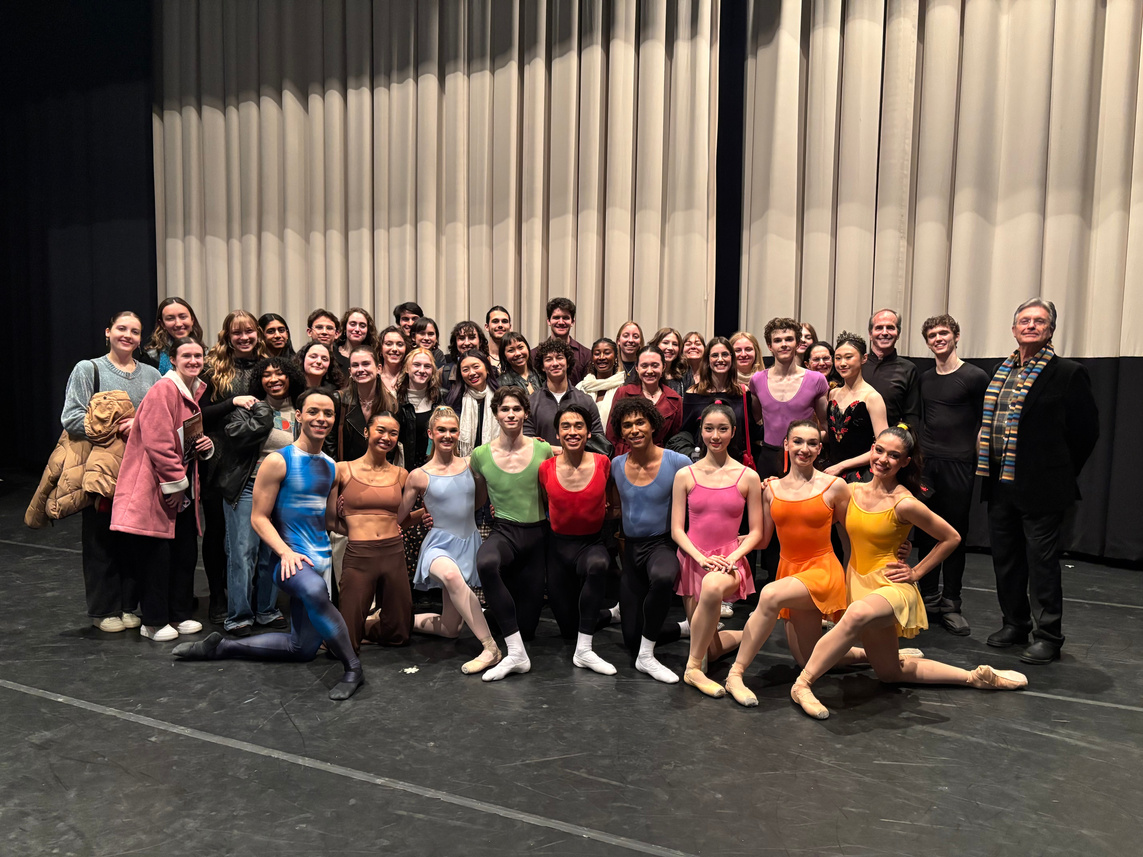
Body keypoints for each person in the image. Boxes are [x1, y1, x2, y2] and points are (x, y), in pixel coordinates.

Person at [788, 427, 1027, 720]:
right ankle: (975, 676)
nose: (884, 459)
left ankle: (803, 684)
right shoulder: (849, 491)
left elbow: (951, 537)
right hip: (858, 583)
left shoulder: (905, 503)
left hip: (890, 586)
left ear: (905, 462)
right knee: (889, 673)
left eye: (894, 456)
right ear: (871, 448)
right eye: (880, 450)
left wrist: (916, 572)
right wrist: (774, 483)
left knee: (858, 615)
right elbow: (804, 497)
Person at [172, 388, 366, 701]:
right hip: (289, 560)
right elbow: (259, 518)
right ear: (299, 416)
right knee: (315, 592)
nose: (321, 418)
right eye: (313, 411)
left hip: (321, 560)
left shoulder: (331, 466)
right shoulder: (278, 461)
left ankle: (222, 647)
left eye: (328, 413)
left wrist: (355, 522)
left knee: (301, 649)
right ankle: (353, 668)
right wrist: (285, 552)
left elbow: (329, 521)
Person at [723, 421, 890, 706]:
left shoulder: (835, 487)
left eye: (812, 443)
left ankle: (735, 675)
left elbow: (854, 532)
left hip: (823, 570)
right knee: (809, 658)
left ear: (819, 449)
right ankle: (870, 655)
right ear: (786, 445)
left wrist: (866, 568)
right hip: (790, 571)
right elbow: (762, 540)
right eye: (797, 442)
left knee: (770, 594)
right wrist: (729, 548)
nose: (804, 449)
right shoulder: (771, 489)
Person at [979, 298, 1100, 665]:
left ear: (1050, 331)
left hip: (1043, 487)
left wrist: (1058, 470)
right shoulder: (1000, 372)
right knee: (1006, 559)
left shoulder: (1067, 373)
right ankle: (1014, 623)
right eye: (1024, 321)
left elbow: (1086, 432)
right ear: (1014, 330)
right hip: (999, 481)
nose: (1031, 326)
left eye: (1039, 321)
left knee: (1042, 562)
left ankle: (1047, 635)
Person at [62, 311, 161, 631]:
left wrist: (143, 426)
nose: (128, 335)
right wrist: (116, 428)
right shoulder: (87, 369)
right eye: (122, 328)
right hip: (103, 468)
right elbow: (71, 418)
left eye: (134, 331)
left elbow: (161, 416)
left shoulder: (151, 374)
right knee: (100, 538)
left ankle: (129, 605)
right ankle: (105, 609)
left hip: (142, 469)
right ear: (108, 331)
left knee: (134, 541)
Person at [111, 337, 214, 641]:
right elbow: (159, 443)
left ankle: (179, 614)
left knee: (183, 554)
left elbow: (184, 438)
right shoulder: (163, 390)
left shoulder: (192, 391)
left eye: (198, 356)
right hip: (157, 488)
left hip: (179, 491)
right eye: (187, 356)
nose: (194, 360)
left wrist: (203, 446)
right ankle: (153, 621)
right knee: (157, 558)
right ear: (173, 359)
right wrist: (175, 484)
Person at [396, 405, 502, 673]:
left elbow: (478, 501)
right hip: (438, 546)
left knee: (450, 628)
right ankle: (491, 648)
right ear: (431, 433)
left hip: (468, 542)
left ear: (458, 434)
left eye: (452, 430)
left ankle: (397, 621)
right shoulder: (418, 475)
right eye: (441, 430)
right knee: (452, 577)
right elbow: (399, 517)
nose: (447, 435)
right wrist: (423, 515)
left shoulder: (471, 464)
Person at [672, 404, 763, 697]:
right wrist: (700, 557)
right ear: (701, 431)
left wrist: (731, 558)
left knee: (712, 587)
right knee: (709, 649)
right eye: (709, 428)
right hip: (693, 560)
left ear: (733, 432)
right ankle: (748, 633)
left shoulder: (748, 476)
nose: (715, 435)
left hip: (728, 563)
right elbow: (677, 529)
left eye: (723, 429)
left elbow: (757, 532)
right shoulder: (685, 474)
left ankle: (691, 669)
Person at [470, 387, 554, 680]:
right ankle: (514, 652)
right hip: (504, 532)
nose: (511, 414)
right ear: (496, 414)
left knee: (529, 628)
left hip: (537, 537)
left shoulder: (543, 449)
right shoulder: (480, 456)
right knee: (486, 562)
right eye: (505, 409)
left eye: (517, 409)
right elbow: (478, 499)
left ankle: (497, 622)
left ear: (526, 413)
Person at [214, 356, 301, 636]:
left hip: (283, 490)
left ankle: (266, 610)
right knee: (242, 553)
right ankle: (238, 615)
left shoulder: (299, 409)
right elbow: (234, 435)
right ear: (259, 381)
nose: (274, 379)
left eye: (280, 374)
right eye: (267, 375)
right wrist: (263, 414)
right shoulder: (248, 406)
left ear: (290, 377)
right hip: (248, 486)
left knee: (272, 553)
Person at [608, 397, 691, 683]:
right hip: (631, 552)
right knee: (631, 639)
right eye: (627, 425)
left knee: (664, 576)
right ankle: (682, 629)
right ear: (620, 431)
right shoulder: (616, 465)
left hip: (662, 546)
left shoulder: (678, 462)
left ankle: (647, 656)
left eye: (640, 422)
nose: (634, 430)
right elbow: (613, 504)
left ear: (653, 424)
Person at [916, 314, 989, 635]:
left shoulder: (974, 376)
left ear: (956, 336)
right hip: (927, 466)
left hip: (960, 465)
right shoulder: (925, 378)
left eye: (943, 333)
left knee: (955, 534)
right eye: (932, 335)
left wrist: (977, 462)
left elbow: (983, 424)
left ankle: (951, 603)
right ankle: (928, 598)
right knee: (926, 533)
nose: (938, 339)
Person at [537, 403, 616, 675]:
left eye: (578, 426)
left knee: (598, 566)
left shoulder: (603, 463)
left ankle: (585, 649)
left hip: (591, 545)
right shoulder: (545, 468)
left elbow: (613, 503)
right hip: (557, 550)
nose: (572, 432)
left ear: (589, 432)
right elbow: (542, 504)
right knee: (569, 629)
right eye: (566, 427)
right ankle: (610, 614)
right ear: (557, 434)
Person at [201, 309, 267, 625]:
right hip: (219, 460)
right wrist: (232, 404)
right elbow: (199, 413)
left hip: (258, 460)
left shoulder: (268, 367)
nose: (243, 338)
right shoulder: (212, 369)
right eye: (236, 333)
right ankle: (218, 596)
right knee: (217, 533)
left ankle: (251, 596)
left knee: (255, 533)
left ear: (258, 333)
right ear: (227, 337)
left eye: (249, 331)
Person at [330, 411, 414, 651]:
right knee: (346, 645)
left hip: (393, 554)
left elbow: (402, 519)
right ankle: (349, 628)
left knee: (400, 635)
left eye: (393, 433)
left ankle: (367, 626)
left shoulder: (401, 474)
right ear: (366, 432)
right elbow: (329, 521)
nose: (386, 437)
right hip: (359, 554)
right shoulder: (342, 470)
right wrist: (345, 519)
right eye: (381, 430)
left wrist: (423, 517)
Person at [749, 317, 829, 479]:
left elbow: (826, 425)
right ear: (770, 346)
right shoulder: (757, 380)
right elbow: (756, 418)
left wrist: (812, 443)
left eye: (789, 339)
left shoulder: (816, 380)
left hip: (803, 456)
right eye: (778, 340)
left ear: (798, 344)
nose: (784, 344)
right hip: (768, 456)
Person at [680, 336, 756, 465]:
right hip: (702, 463)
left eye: (725, 354)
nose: (720, 359)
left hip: (735, 463)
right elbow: (686, 433)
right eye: (715, 355)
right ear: (707, 360)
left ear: (732, 358)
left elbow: (749, 430)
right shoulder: (693, 393)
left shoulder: (743, 393)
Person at [523, 338, 607, 451]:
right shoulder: (530, 402)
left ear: (568, 363)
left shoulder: (586, 401)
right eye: (548, 359)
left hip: (579, 466)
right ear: (542, 367)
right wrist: (557, 452)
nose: (555, 363)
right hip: (543, 466)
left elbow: (598, 442)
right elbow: (527, 443)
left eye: (559, 358)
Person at [825, 332, 887, 482]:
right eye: (838, 358)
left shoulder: (872, 397)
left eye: (848, 357)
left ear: (864, 358)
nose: (842, 363)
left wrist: (842, 466)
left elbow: (883, 446)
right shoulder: (832, 393)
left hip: (861, 474)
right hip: (832, 470)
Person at [606, 346, 683, 456]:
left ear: (663, 367)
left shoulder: (675, 399)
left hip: (659, 458)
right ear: (637, 368)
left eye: (655, 366)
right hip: (626, 456)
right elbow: (611, 435)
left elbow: (673, 440)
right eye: (644, 366)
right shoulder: (623, 393)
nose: (650, 371)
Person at [862, 308, 922, 429]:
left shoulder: (908, 369)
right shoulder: (858, 364)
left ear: (898, 333)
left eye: (890, 327)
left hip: (890, 443)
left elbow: (912, 416)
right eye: (879, 328)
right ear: (870, 334)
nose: (884, 332)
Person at [338, 346, 398, 462]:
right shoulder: (338, 400)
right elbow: (331, 446)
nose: (360, 369)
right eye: (355, 365)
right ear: (350, 372)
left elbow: (391, 449)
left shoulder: (392, 404)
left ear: (379, 368)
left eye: (366, 364)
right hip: (345, 473)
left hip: (379, 474)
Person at [294, 340, 345, 459]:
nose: (318, 362)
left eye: (324, 359)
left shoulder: (335, 395)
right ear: (303, 360)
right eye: (313, 356)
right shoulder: (290, 390)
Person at [444, 350, 500, 457]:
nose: (472, 373)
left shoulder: (501, 398)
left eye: (476, 367)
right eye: (465, 370)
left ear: (487, 369)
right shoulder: (454, 400)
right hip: (462, 462)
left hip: (495, 460)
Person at [395, 347, 442, 471]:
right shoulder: (394, 400)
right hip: (403, 469)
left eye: (427, 366)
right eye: (416, 365)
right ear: (406, 368)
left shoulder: (440, 398)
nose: (422, 370)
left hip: (434, 469)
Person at [529, 297, 592, 385]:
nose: (561, 322)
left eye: (565, 318)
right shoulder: (534, 355)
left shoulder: (586, 355)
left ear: (573, 321)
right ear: (548, 321)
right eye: (556, 317)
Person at [142, 298, 204, 374]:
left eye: (183, 317)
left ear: (192, 320)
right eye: (170, 318)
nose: (178, 324)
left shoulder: (206, 355)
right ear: (162, 324)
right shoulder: (152, 357)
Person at [575, 337, 625, 431]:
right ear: (592, 359)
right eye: (597, 354)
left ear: (615, 359)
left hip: (613, 443)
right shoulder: (581, 387)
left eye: (607, 353)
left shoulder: (623, 388)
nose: (602, 357)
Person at [440, 321, 489, 396]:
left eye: (472, 337)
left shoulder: (492, 371)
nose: (466, 343)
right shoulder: (443, 373)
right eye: (462, 338)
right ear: (455, 342)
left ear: (480, 341)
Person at [334, 307, 378, 374]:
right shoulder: (333, 352)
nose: (357, 329)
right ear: (345, 327)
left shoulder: (374, 354)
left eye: (362, 326)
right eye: (353, 324)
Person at [649, 327, 686, 395]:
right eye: (665, 343)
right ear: (656, 345)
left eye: (675, 344)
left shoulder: (684, 375)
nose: (670, 348)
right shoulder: (647, 374)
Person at [377, 324, 409, 397]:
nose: (394, 349)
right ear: (380, 349)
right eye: (389, 344)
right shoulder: (374, 378)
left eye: (400, 345)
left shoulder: (411, 378)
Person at [484, 305, 512, 370]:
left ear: (510, 327)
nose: (500, 325)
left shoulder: (516, 356)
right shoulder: (479, 355)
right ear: (487, 327)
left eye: (504, 321)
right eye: (495, 321)